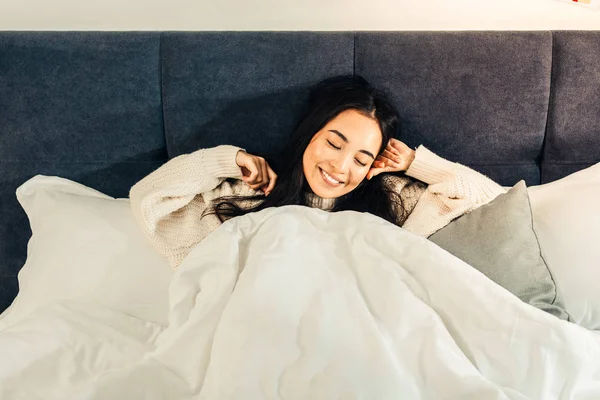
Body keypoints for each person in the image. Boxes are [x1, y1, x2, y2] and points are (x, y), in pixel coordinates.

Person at [130, 75, 504, 268]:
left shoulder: (392, 201)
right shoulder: (249, 191)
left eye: (361, 158)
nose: (340, 167)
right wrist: (228, 161)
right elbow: (150, 199)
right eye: (334, 143)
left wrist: (416, 164)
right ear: (311, 132)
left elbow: (493, 200)